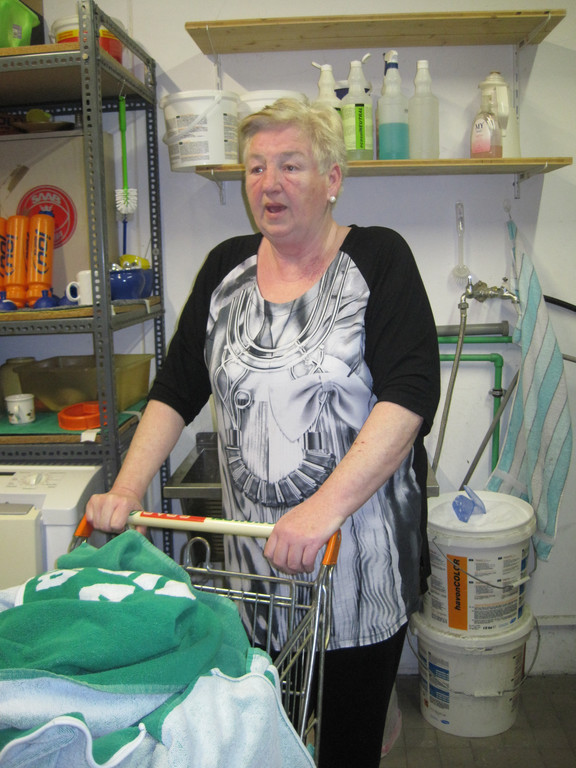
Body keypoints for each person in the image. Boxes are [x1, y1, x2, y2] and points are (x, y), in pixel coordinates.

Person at [87, 98, 440, 768]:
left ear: (332, 178)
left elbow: (410, 394)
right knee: (266, 738)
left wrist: (322, 509)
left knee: (345, 745)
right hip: (254, 576)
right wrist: (127, 489)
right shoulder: (226, 269)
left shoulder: (378, 259)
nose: (269, 183)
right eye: (255, 167)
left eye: (290, 165)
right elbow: (176, 389)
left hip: (355, 569)